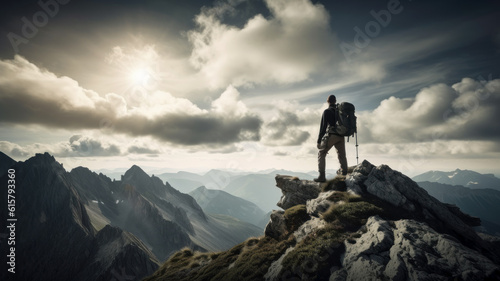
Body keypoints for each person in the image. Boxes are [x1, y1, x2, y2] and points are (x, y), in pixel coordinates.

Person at [314, 94, 348, 182]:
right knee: (342, 155)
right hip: (341, 136)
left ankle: (322, 176)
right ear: (335, 101)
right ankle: (344, 173)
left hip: (332, 135)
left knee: (321, 153)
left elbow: (323, 127)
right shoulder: (341, 113)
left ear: (328, 101)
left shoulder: (327, 111)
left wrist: (319, 141)